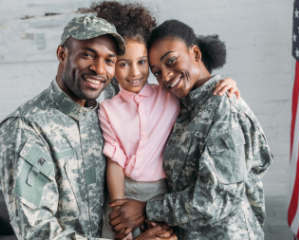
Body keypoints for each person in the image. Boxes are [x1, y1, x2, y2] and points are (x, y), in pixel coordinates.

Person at [0, 15, 177, 240]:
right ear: (62, 54)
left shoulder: (101, 115)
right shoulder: (24, 129)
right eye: (87, 54)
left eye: (110, 60)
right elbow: (37, 232)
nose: (98, 68)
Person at [107, 19, 274, 240]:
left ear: (195, 53)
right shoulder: (184, 107)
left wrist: (147, 208)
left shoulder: (225, 107)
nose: (165, 76)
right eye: (157, 71)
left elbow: (216, 199)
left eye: (172, 61)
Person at [92, 2, 241, 240]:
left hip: (163, 193)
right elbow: (115, 162)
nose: (134, 72)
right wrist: (119, 207)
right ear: (112, 65)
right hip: (125, 188)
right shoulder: (107, 109)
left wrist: (227, 81)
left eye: (142, 62)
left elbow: (198, 92)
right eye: (123, 63)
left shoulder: (167, 94)